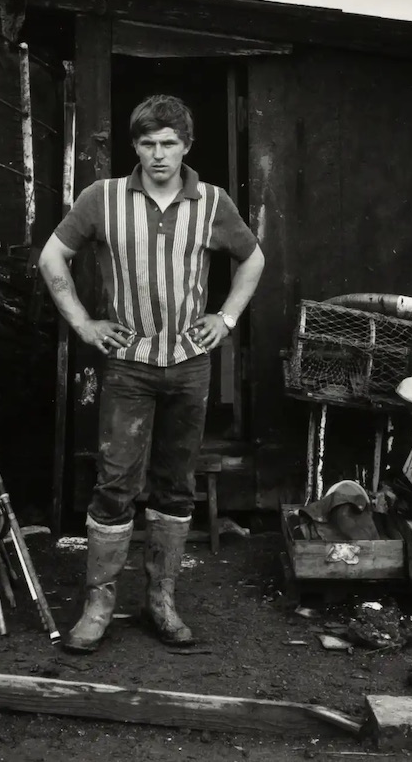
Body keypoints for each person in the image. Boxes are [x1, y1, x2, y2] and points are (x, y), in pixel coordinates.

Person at [38, 93, 265, 653]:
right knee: (115, 483)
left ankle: (160, 601)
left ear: (186, 146)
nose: (158, 154)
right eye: (147, 143)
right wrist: (86, 325)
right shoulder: (103, 199)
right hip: (128, 365)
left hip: (189, 364)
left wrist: (226, 317)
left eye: (168, 143)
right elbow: (51, 258)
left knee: (175, 484)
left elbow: (253, 258)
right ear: (134, 146)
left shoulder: (212, 203)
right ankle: (98, 604)